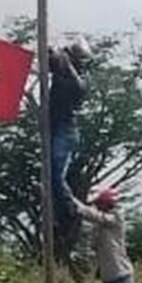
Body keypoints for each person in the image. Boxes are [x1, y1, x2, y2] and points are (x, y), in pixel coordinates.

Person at [72, 188, 138, 283]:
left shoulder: (116, 217)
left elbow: (95, 216)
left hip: (120, 273)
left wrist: (74, 203)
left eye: (100, 204)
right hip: (108, 275)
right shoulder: (100, 226)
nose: (98, 207)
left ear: (107, 204)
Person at [48, 37, 92, 231]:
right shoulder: (61, 69)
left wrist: (64, 61)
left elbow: (77, 87)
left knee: (55, 174)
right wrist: (51, 51)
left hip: (66, 128)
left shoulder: (81, 80)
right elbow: (51, 60)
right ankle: (58, 214)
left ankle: (70, 210)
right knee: (49, 175)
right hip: (53, 125)